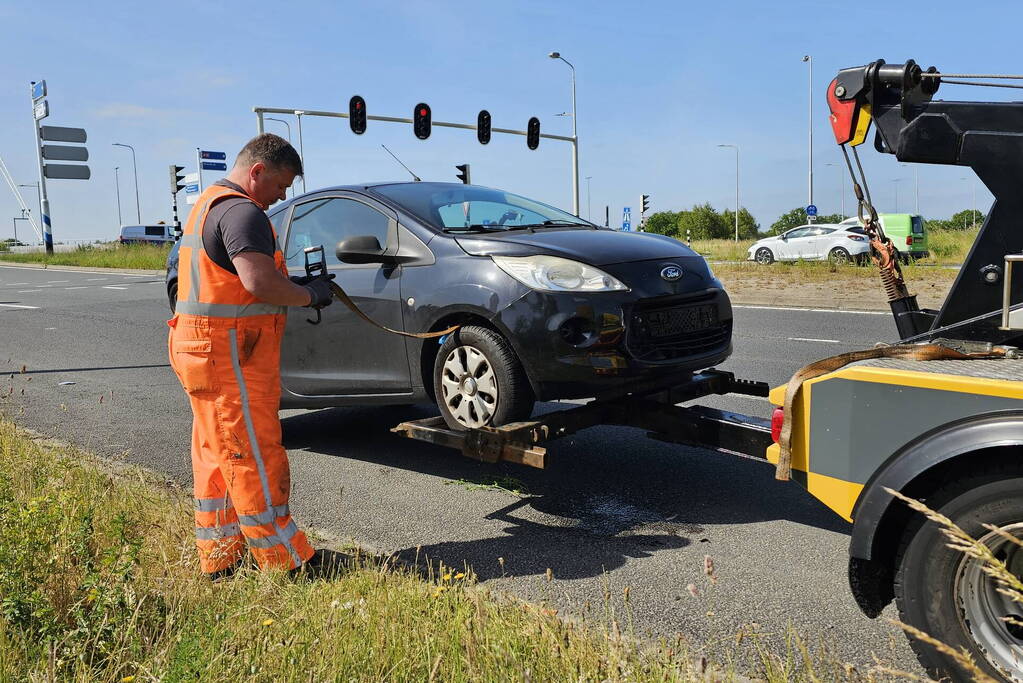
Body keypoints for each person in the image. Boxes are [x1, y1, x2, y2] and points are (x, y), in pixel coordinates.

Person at [167, 133, 334, 580]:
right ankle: (287, 560)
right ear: (257, 171)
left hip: (201, 349)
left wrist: (292, 286)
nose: (281, 195)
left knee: (216, 452)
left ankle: (221, 556)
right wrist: (311, 294)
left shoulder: (208, 205)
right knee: (252, 454)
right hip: (230, 355)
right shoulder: (243, 212)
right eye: (280, 185)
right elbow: (258, 283)